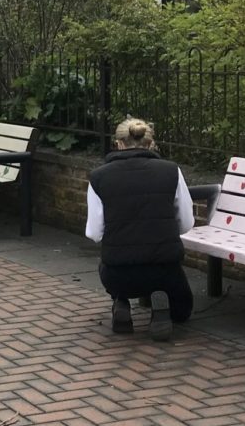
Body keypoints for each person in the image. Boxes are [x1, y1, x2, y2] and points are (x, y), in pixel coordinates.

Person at [85, 118, 196, 341]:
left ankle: (121, 301)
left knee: (105, 267)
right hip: (165, 270)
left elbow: (95, 233)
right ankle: (160, 301)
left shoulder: (99, 177)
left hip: (118, 272)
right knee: (183, 312)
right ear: (150, 142)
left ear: (118, 143)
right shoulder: (171, 171)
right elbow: (186, 223)